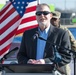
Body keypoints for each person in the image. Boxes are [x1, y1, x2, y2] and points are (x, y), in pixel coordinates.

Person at [17, 3, 71, 74]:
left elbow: (66, 57)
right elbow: (20, 55)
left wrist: (46, 61)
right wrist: (27, 61)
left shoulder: (61, 34)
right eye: (39, 13)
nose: (42, 16)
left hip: (52, 72)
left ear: (51, 16)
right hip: (31, 72)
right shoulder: (28, 34)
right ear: (36, 16)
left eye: (45, 13)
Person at [50, 11, 76, 75]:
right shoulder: (47, 30)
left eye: (55, 19)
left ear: (59, 19)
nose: (53, 21)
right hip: (49, 58)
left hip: (62, 57)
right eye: (52, 19)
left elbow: (73, 42)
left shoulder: (64, 30)